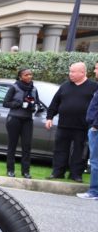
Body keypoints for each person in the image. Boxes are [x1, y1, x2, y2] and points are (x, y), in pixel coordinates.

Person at [45, 62, 98, 182]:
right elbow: (55, 102)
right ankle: (57, 172)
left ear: (83, 72)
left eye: (73, 72)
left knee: (80, 151)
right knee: (60, 149)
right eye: (70, 71)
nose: (70, 74)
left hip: (82, 126)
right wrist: (49, 117)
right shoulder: (65, 86)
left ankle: (76, 174)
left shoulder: (94, 87)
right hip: (64, 125)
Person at [2, 68, 40, 178]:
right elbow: (5, 103)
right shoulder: (14, 87)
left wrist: (35, 106)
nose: (29, 77)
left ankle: (26, 171)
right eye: (26, 75)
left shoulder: (34, 89)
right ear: (20, 77)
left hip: (27, 120)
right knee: (12, 146)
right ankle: (10, 170)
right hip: (14, 119)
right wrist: (18, 104)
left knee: (27, 146)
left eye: (30, 74)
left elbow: (37, 103)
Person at [80, 62, 98, 199]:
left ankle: (94, 191)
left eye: (97, 68)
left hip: (96, 129)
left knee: (95, 162)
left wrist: (95, 126)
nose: (95, 71)